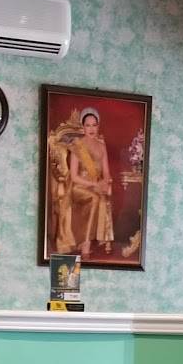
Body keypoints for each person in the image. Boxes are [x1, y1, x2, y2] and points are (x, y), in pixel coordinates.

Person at [67, 108, 114, 256]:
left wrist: (105, 182)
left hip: (96, 185)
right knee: (95, 197)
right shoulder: (77, 146)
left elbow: (106, 171)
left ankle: (92, 239)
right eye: (88, 125)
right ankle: (85, 243)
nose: (91, 129)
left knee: (100, 196)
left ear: (98, 126)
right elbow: (74, 177)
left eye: (94, 125)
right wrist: (95, 185)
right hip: (78, 187)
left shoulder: (101, 146)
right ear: (83, 127)